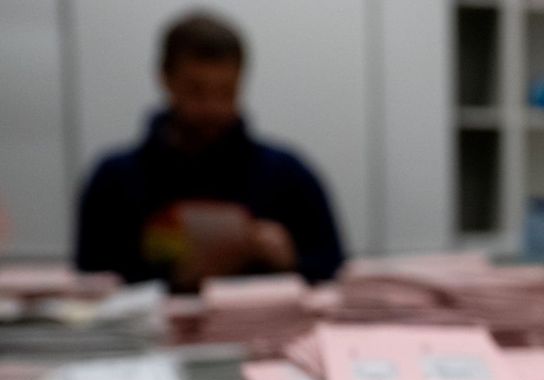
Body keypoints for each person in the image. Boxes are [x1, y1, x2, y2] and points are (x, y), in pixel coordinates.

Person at [76, 11, 344, 293]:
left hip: (267, 332)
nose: (212, 107)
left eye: (226, 92)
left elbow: (333, 271)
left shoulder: (289, 175)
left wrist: (291, 261)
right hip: (145, 335)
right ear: (165, 80)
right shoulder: (114, 180)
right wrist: (173, 279)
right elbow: (90, 282)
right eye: (196, 90)